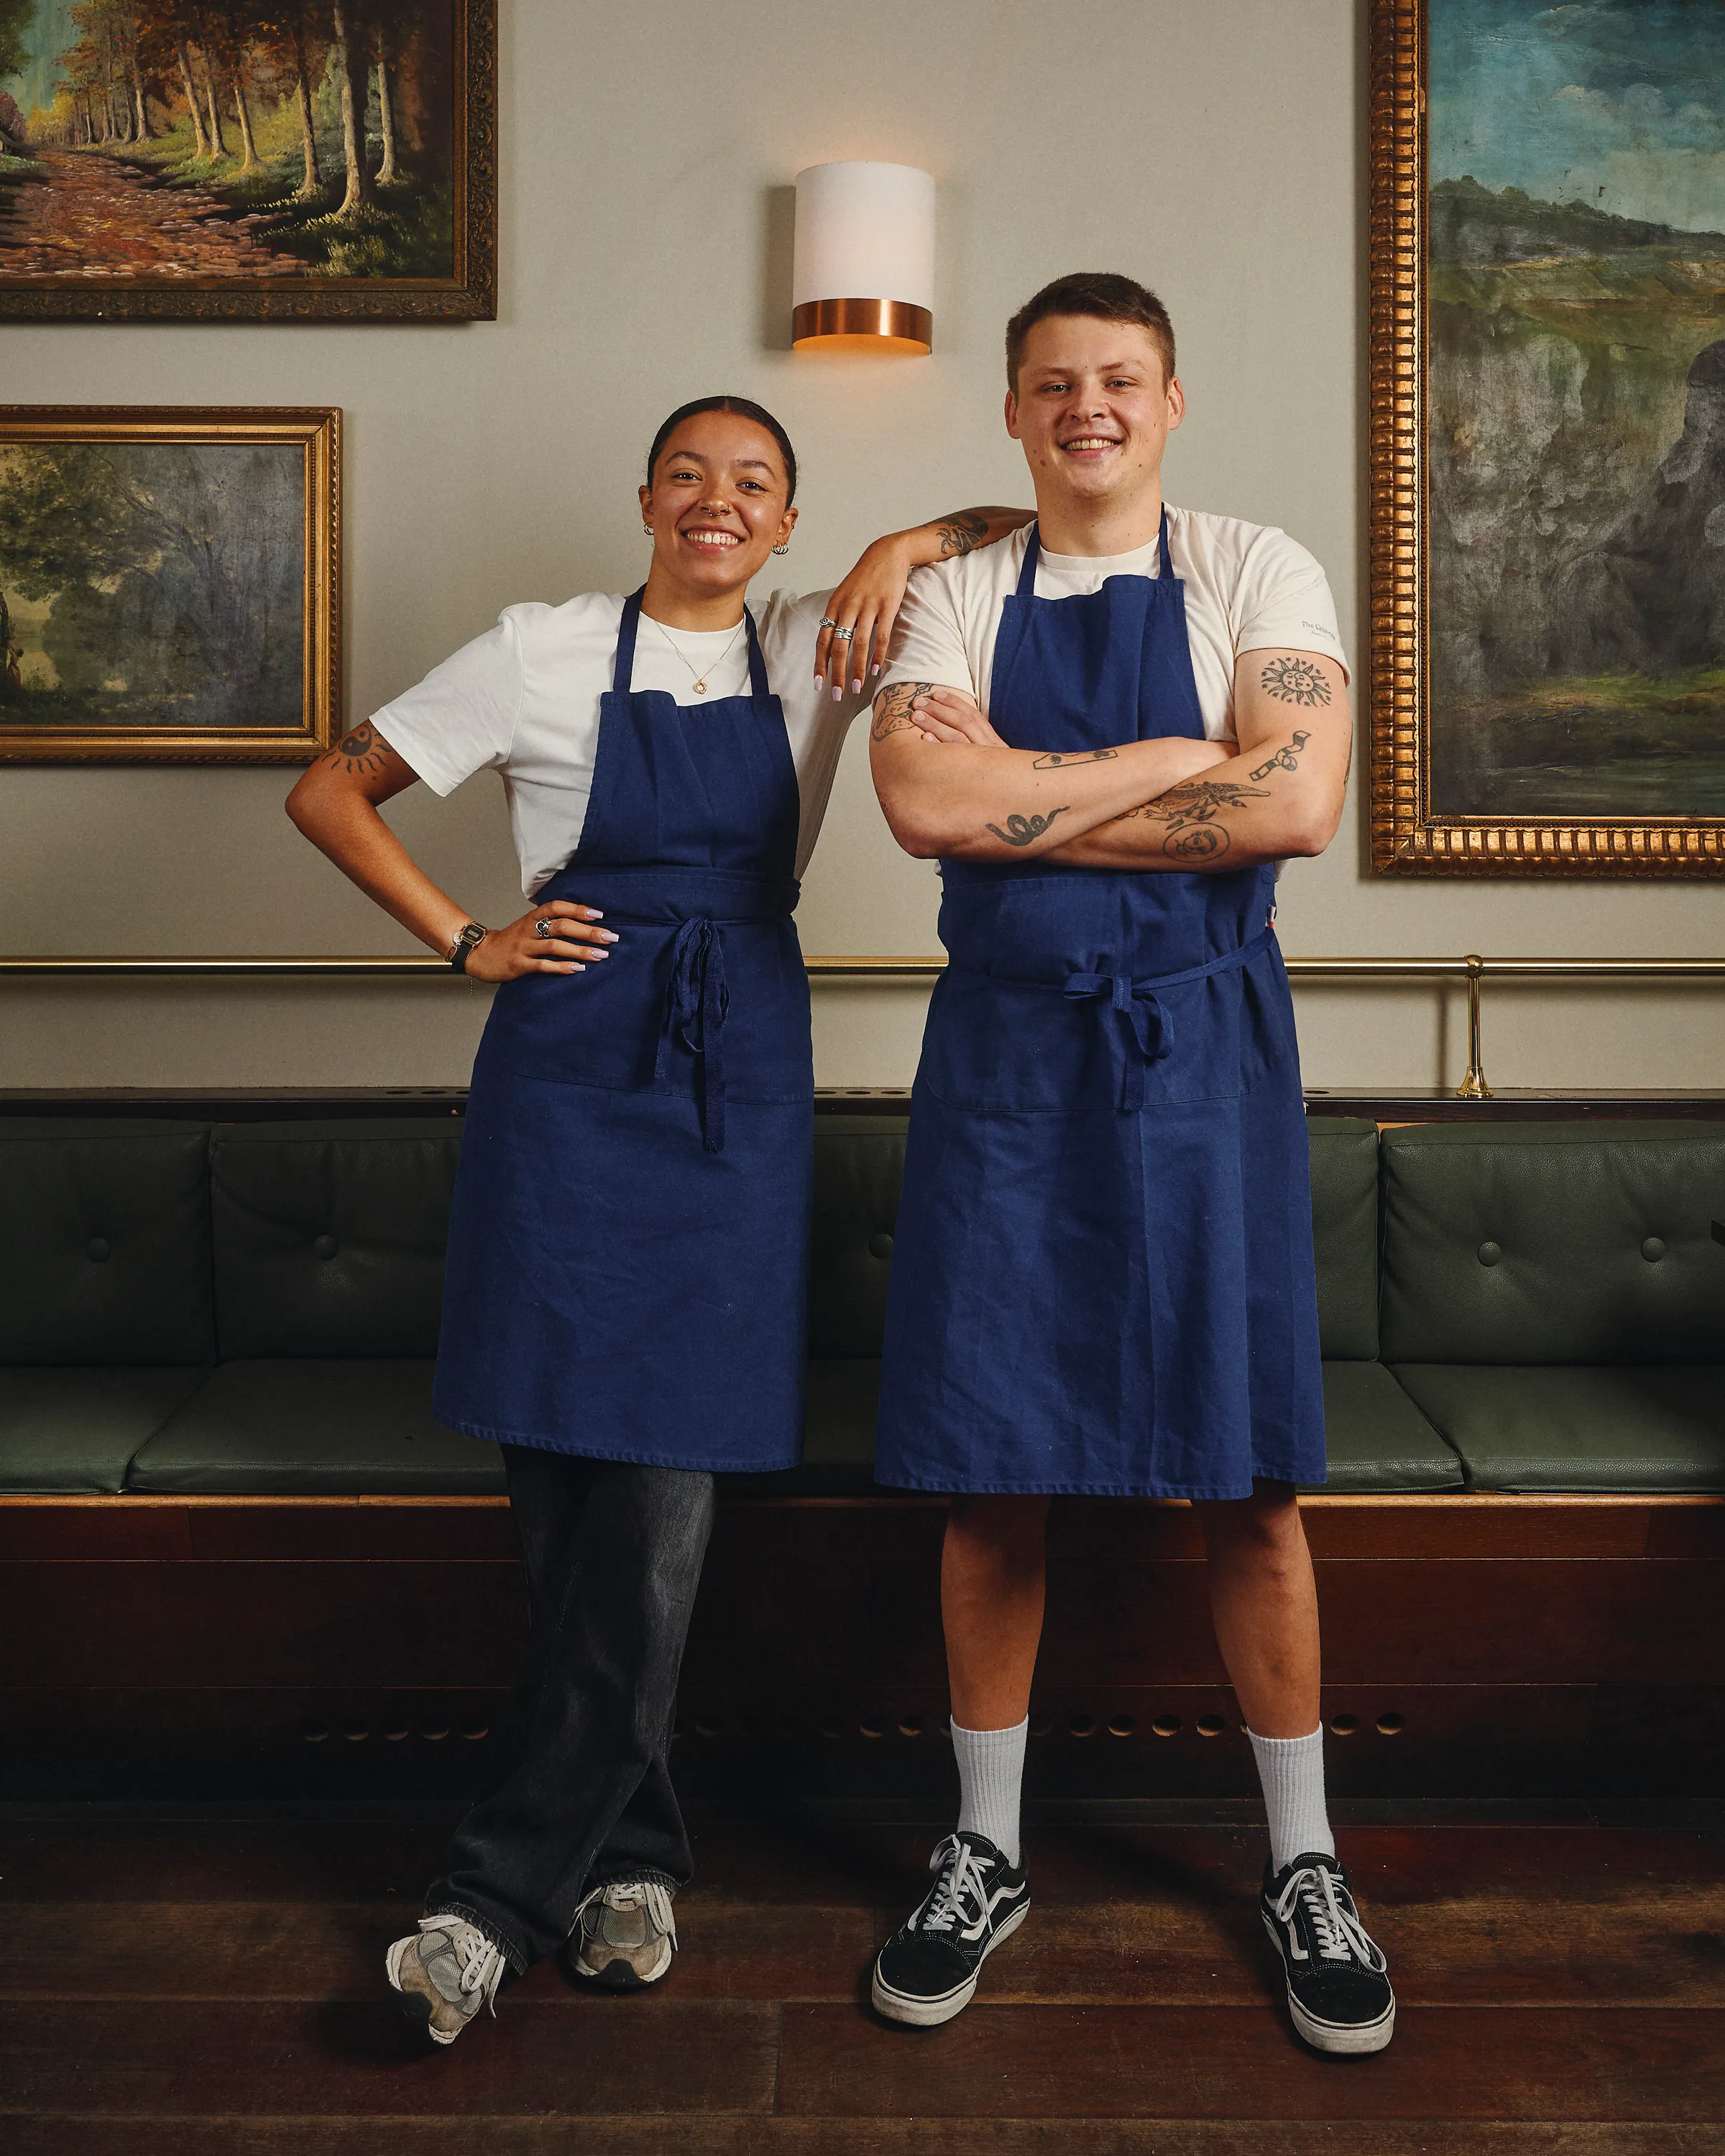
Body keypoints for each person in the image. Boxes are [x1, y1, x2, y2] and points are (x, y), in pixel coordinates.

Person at [285, 393, 1029, 2045]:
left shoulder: (822, 643)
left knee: (666, 1487)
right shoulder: (541, 651)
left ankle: (486, 1899)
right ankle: (631, 1855)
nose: (718, 500)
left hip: (733, 1084)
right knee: (561, 1483)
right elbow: (331, 791)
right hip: (564, 1080)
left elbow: (1018, 525)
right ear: (644, 497)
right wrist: (465, 937)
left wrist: (903, 541)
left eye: (755, 484)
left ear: (785, 526)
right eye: (690, 473)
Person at [863, 275, 1395, 2057]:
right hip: (1007, 1059)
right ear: (1012, 415)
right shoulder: (950, 589)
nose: (1085, 407)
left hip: (1204, 1053)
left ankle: (1306, 1862)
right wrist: (1179, 758)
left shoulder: (1262, 568)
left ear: (1172, 401)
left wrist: (1051, 789)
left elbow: (1295, 805)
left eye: (1118, 381)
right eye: (1049, 385)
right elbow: (928, 810)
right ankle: (987, 1845)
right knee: (988, 1468)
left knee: (1250, 1474)